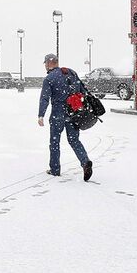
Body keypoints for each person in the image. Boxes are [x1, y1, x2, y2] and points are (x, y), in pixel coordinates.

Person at [37, 53, 92, 181]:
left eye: (45, 63)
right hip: (73, 113)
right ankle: (85, 162)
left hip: (58, 113)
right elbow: (83, 91)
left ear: (49, 63)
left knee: (55, 141)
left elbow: (44, 98)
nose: (45, 66)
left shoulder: (49, 78)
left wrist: (41, 115)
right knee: (74, 140)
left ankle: (55, 169)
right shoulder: (71, 73)